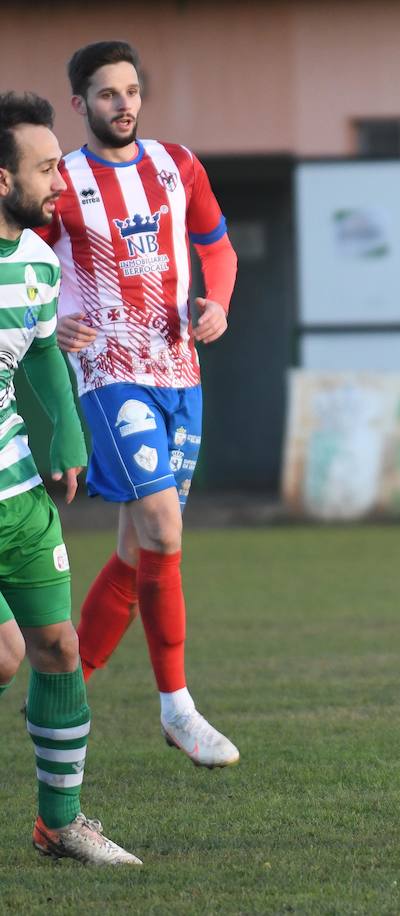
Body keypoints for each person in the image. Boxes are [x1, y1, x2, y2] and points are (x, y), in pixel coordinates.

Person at [37, 40, 241, 767]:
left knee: (137, 549)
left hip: (179, 372)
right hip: (107, 372)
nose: (122, 105)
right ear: (79, 105)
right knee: (161, 524)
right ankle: (177, 707)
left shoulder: (177, 165)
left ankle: (64, 688)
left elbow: (217, 247)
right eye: (105, 94)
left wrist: (214, 303)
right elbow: (20, 262)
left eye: (130, 91)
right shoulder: (60, 182)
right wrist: (49, 318)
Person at [0, 91, 140, 865]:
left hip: (20, 499)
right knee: (3, 653)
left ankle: (60, 825)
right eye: (47, 167)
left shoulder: (39, 263)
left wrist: (69, 435)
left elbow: (47, 354)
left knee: (56, 645)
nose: (63, 182)